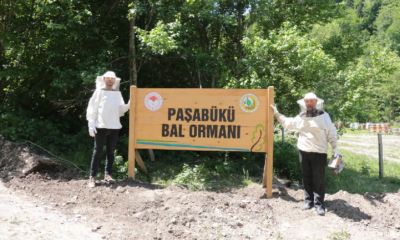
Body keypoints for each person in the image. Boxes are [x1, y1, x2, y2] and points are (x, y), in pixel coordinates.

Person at [270, 93, 340, 216]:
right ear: (304, 103)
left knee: (318, 179)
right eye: (307, 101)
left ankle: (319, 204)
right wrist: (276, 112)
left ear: (316, 102)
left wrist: (335, 149)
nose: (309, 103)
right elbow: (287, 123)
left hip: (319, 152)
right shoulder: (301, 117)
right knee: (306, 177)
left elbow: (331, 132)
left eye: (311, 101)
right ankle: (308, 201)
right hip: (304, 150)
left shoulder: (324, 116)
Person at [86, 71, 130, 188]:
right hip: (100, 126)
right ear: (104, 79)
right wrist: (91, 124)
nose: (110, 80)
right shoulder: (98, 92)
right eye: (108, 78)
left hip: (114, 127)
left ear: (115, 80)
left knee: (111, 152)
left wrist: (130, 104)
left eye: (112, 78)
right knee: (97, 151)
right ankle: (92, 177)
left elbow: (120, 110)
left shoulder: (117, 94)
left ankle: (108, 175)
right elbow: (93, 108)